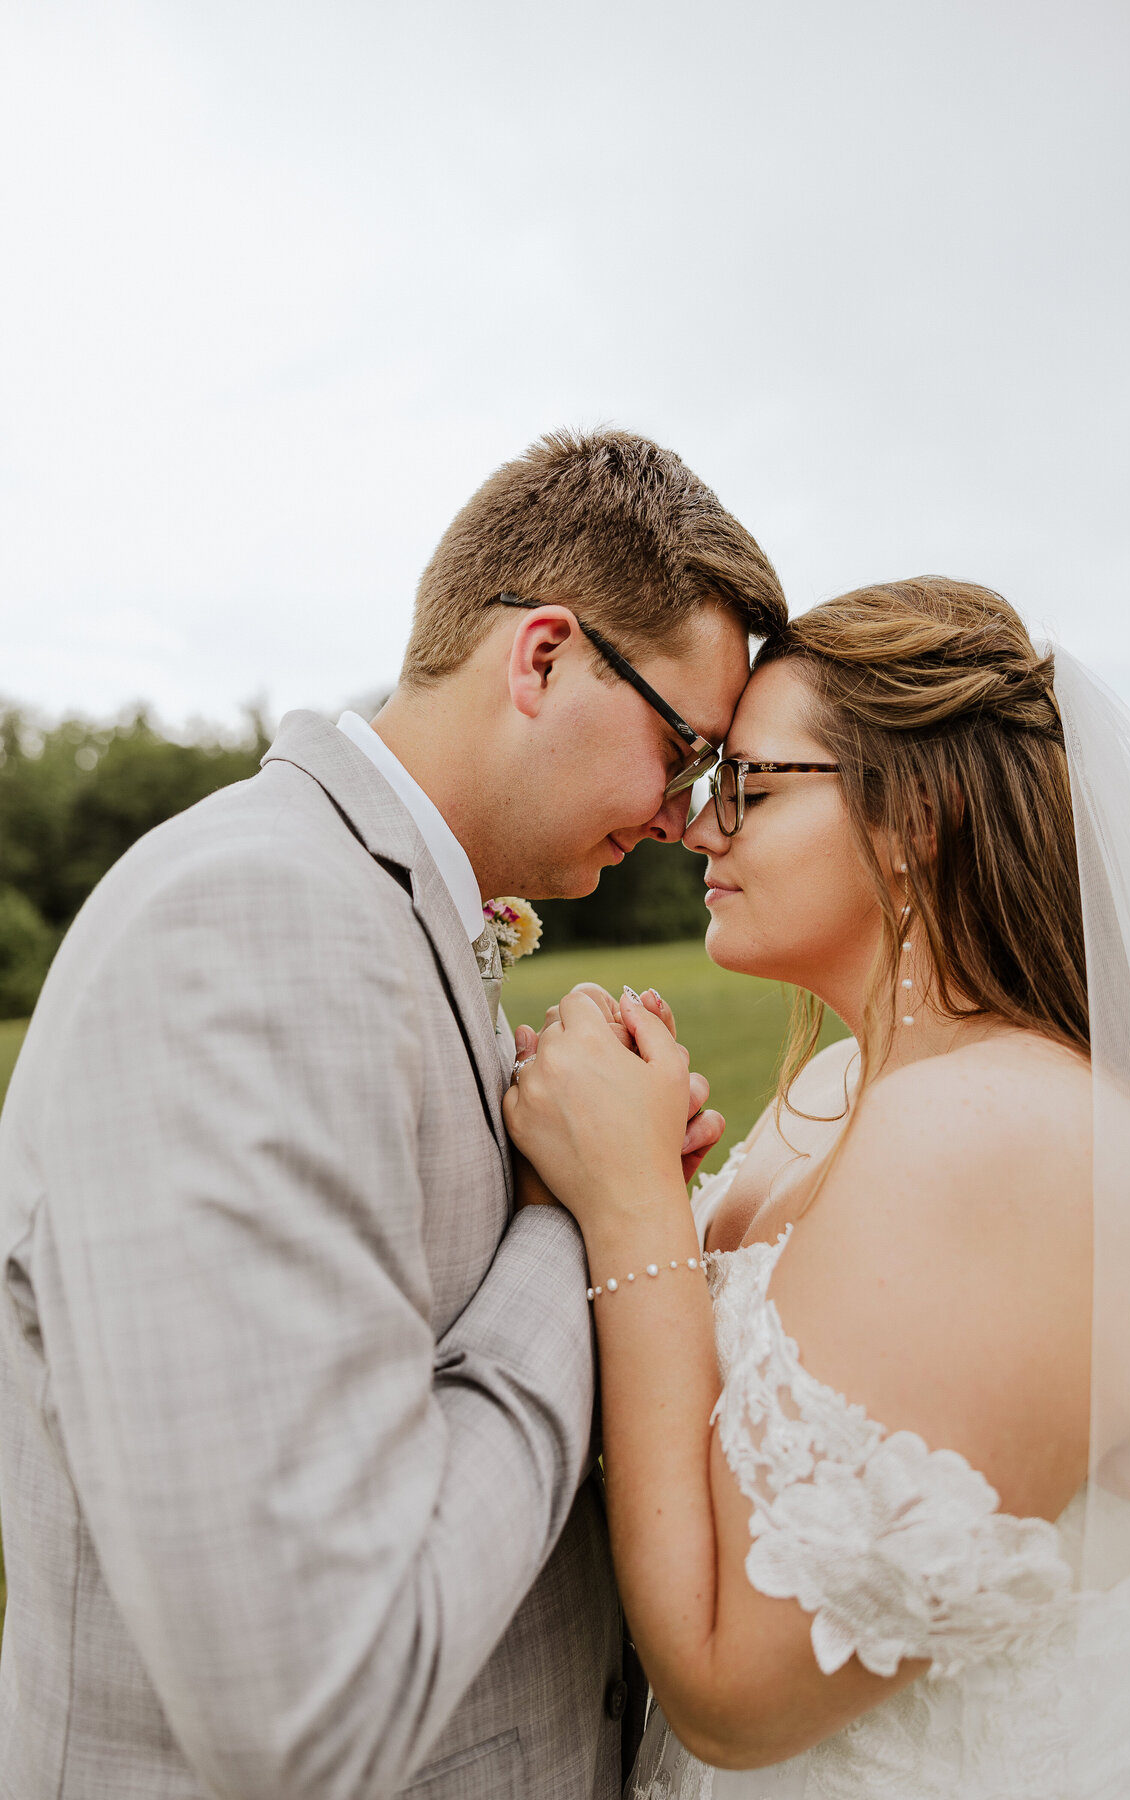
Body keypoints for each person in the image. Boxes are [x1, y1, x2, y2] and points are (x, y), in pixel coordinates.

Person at [0, 429, 788, 1800]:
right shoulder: (246, 924)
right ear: (542, 657)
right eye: (684, 750)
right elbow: (311, 1705)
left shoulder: (378, 917)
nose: (684, 819)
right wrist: (590, 1213)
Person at [506, 576, 1130, 1797]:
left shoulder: (1007, 1141)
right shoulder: (835, 1087)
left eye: (748, 786)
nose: (697, 828)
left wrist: (632, 1210)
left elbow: (732, 1691)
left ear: (913, 816)